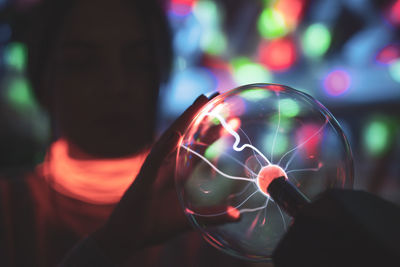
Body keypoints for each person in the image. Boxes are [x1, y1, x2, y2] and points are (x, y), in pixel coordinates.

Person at [1, 0, 247, 266]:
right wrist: (110, 245)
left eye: (137, 62)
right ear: (43, 81)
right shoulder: (9, 214)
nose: (116, 86)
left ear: (161, 76)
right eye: (82, 63)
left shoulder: (214, 227)